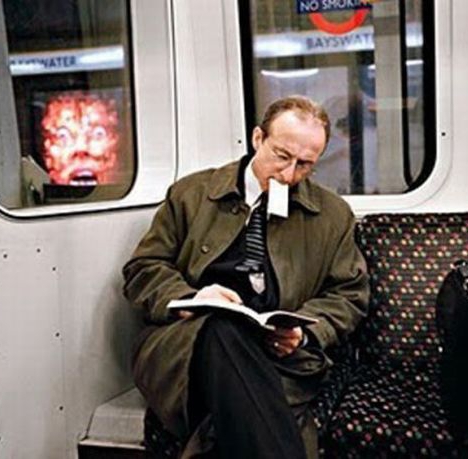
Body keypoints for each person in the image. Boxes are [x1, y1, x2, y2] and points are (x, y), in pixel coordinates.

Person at [122, 95, 369, 459]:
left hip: (279, 353)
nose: (288, 175)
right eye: (282, 156)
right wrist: (192, 298)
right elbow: (143, 269)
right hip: (186, 344)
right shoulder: (191, 194)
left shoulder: (333, 215)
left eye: (305, 165)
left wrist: (304, 333)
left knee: (237, 395)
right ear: (258, 138)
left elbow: (349, 294)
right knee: (222, 329)